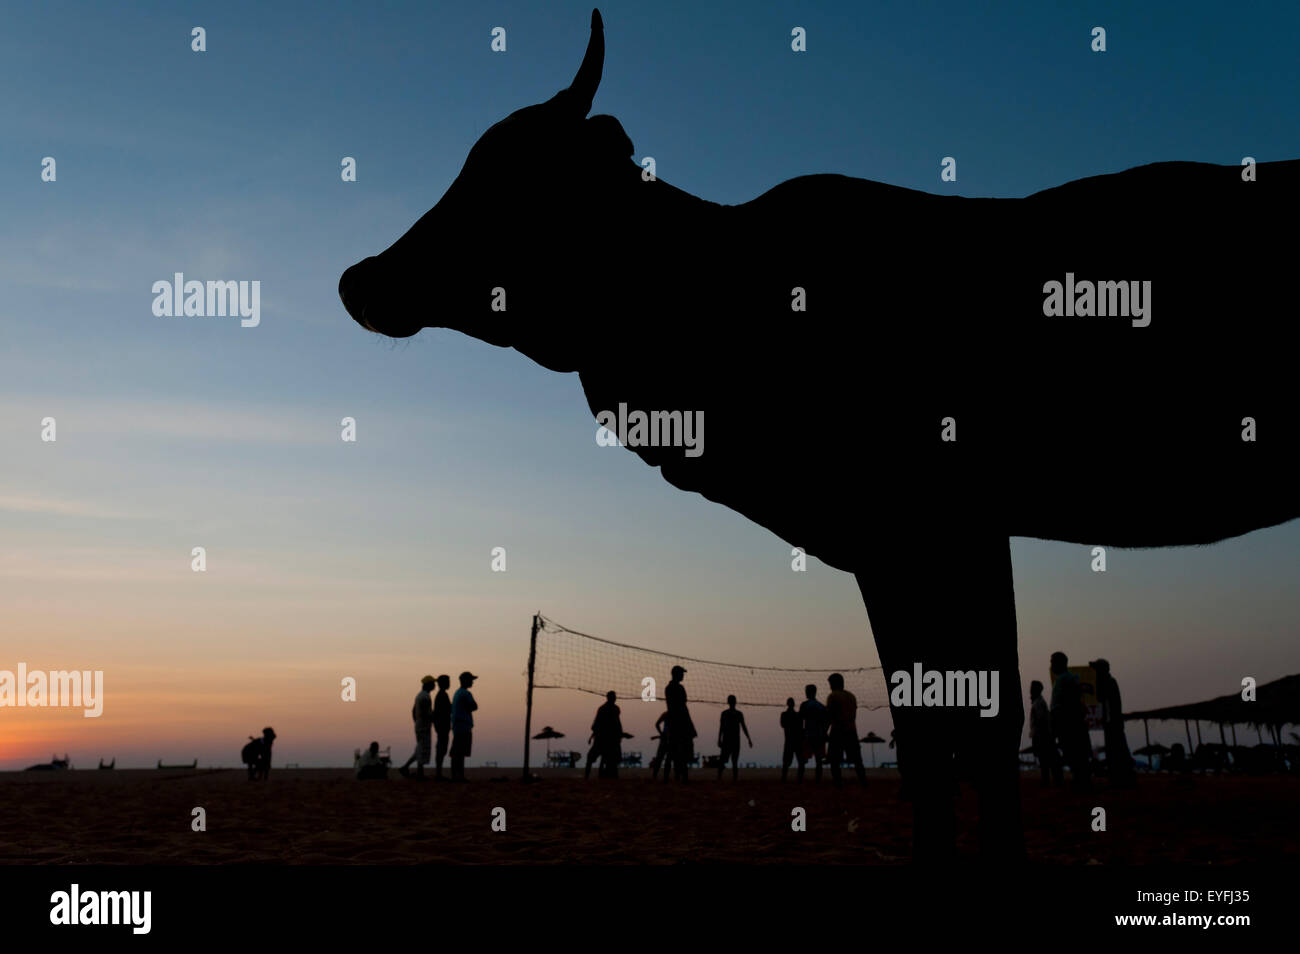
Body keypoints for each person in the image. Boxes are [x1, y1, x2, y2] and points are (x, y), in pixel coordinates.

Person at [1091, 659, 1136, 788]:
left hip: (1113, 722)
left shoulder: (1109, 683)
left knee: (1116, 749)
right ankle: (1120, 776)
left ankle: (1121, 777)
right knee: (1116, 749)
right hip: (1112, 722)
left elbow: (1100, 696)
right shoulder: (1110, 682)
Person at [1050, 652, 1091, 792]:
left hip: (1067, 721)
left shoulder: (1065, 679)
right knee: (1071, 750)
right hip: (1067, 720)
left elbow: (1067, 702)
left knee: (1072, 750)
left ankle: (1080, 780)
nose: (1051, 665)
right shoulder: (1065, 679)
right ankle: (1079, 779)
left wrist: (1059, 719)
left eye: (1053, 662)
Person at [824, 673, 867, 787]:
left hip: (838, 730)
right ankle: (863, 782)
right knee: (857, 760)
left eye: (830, 683)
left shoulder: (833, 696)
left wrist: (824, 731)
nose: (829, 686)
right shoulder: (852, 696)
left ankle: (838, 783)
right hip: (852, 730)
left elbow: (829, 715)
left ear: (834, 683)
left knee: (834, 760)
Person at [663, 665, 696, 783]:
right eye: (681, 673)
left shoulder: (668, 688)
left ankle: (671, 777)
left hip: (674, 722)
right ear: (676, 674)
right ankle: (683, 777)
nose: (683, 675)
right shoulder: (677, 688)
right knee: (680, 751)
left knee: (672, 753)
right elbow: (682, 705)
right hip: (679, 723)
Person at [399, 675, 436, 779]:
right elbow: (425, 713)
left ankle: (405, 767)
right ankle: (420, 773)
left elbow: (414, 710)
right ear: (428, 684)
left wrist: (417, 722)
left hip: (420, 725)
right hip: (423, 726)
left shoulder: (420, 695)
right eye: (433, 683)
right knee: (422, 749)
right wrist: (434, 717)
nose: (434, 685)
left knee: (419, 749)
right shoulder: (424, 697)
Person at [1029, 680, 1061, 787]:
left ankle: (1048, 781)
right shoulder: (1039, 702)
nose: (1030, 690)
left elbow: (1041, 720)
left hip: (1042, 736)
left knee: (1045, 760)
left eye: (1033, 688)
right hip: (1043, 735)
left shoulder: (1038, 703)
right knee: (1047, 759)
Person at [587, 691, 623, 779]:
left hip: (610, 738)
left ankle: (601, 775)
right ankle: (587, 776)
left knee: (607, 758)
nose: (615, 699)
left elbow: (617, 723)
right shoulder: (603, 709)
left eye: (615, 697)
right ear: (609, 698)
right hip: (602, 738)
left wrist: (620, 735)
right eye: (613, 697)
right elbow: (596, 724)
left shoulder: (615, 709)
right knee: (592, 758)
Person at [716, 695, 753, 780]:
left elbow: (743, 727)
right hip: (728, 740)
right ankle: (721, 777)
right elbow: (721, 727)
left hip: (733, 740)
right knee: (725, 760)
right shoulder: (725, 714)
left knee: (733, 761)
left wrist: (749, 739)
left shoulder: (737, 714)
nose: (732, 703)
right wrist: (719, 739)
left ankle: (732, 778)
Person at [450, 671, 478, 782]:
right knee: (460, 752)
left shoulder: (457, 693)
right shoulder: (465, 694)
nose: (472, 682)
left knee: (457, 752)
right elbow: (474, 706)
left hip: (457, 725)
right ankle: (459, 776)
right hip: (463, 726)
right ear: (465, 681)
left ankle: (455, 775)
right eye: (471, 680)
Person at [798, 684, 827, 783]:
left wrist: (801, 733)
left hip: (808, 735)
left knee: (802, 760)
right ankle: (818, 780)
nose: (805, 693)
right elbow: (826, 721)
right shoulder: (821, 706)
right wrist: (824, 732)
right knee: (819, 760)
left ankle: (800, 780)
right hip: (819, 735)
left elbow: (800, 720)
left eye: (806, 691)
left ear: (808, 692)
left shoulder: (805, 705)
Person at [432, 674, 452, 780]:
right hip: (442, 727)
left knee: (441, 749)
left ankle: (438, 773)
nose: (449, 683)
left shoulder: (441, 695)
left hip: (442, 726)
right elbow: (446, 710)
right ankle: (438, 774)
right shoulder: (442, 695)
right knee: (441, 749)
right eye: (448, 681)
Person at [779, 697, 803, 782]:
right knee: (798, 761)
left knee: (788, 761)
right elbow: (800, 728)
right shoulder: (796, 715)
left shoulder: (785, 715)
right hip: (795, 741)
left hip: (791, 741)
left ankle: (784, 779)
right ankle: (798, 779)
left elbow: (783, 724)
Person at [649, 710, 671, 780]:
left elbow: (657, 724)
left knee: (660, 757)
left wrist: (661, 733)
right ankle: (665, 776)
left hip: (664, 739)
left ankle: (655, 775)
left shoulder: (666, 713)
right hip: (672, 739)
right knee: (668, 759)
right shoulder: (679, 714)